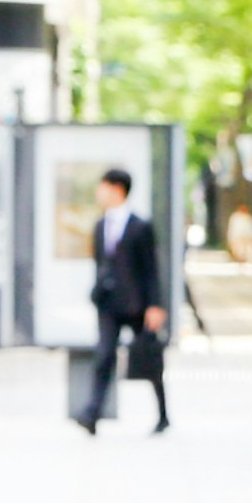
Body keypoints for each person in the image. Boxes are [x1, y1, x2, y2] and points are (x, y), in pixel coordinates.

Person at [75, 168, 170, 436]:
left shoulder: (141, 226)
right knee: (104, 356)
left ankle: (163, 414)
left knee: (149, 359)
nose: (98, 192)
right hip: (108, 304)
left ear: (117, 189)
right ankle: (92, 413)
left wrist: (155, 305)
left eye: (102, 186)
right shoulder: (99, 225)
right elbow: (101, 264)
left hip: (137, 305)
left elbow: (151, 269)